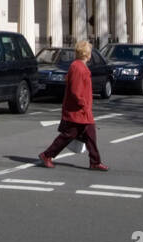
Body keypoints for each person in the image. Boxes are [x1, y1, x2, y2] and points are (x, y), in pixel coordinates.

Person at [38, 40, 107, 170]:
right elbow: (76, 91)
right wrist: (84, 104)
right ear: (87, 54)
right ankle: (47, 155)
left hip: (82, 111)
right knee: (68, 136)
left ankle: (95, 161)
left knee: (90, 136)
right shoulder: (78, 68)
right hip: (78, 111)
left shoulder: (78, 66)